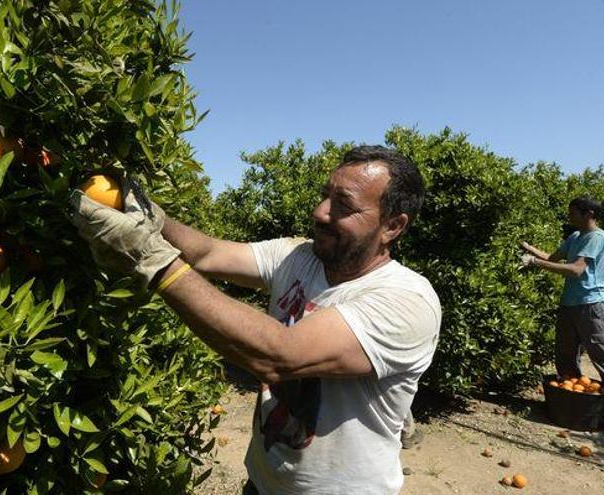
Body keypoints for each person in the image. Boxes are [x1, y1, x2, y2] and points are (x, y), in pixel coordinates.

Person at [70, 145, 441, 494]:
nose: (320, 211)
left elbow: (281, 355)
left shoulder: (407, 300)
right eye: (325, 194)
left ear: (393, 226)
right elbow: (208, 253)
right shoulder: (299, 256)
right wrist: (153, 219)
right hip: (262, 483)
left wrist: (153, 259)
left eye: (343, 205)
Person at [520, 196, 604, 436]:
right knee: (565, 357)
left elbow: (576, 270)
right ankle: (573, 408)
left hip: (592, 307)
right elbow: (553, 258)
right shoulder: (575, 236)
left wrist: (534, 263)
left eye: (573, 212)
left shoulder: (597, 238)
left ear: (588, 213)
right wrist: (530, 250)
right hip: (570, 305)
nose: (569, 216)